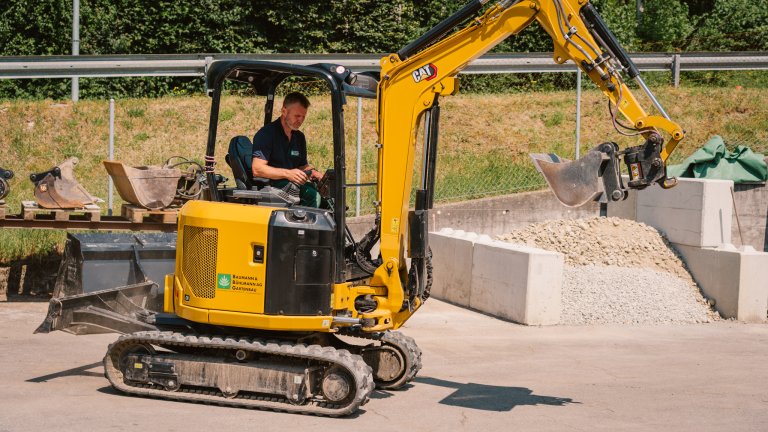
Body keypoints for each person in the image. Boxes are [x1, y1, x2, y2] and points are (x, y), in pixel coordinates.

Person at [251, 92, 324, 207]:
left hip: (292, 184)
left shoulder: (299, 137)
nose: (300, 120)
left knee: (325, 195)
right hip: (272, 185)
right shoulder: (267, 134)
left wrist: (314, 172)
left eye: (303, 117)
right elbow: (257, 169)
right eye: (297, 116)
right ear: (284, 111)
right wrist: (288, 173)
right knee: (312, 196)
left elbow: (302, 165)